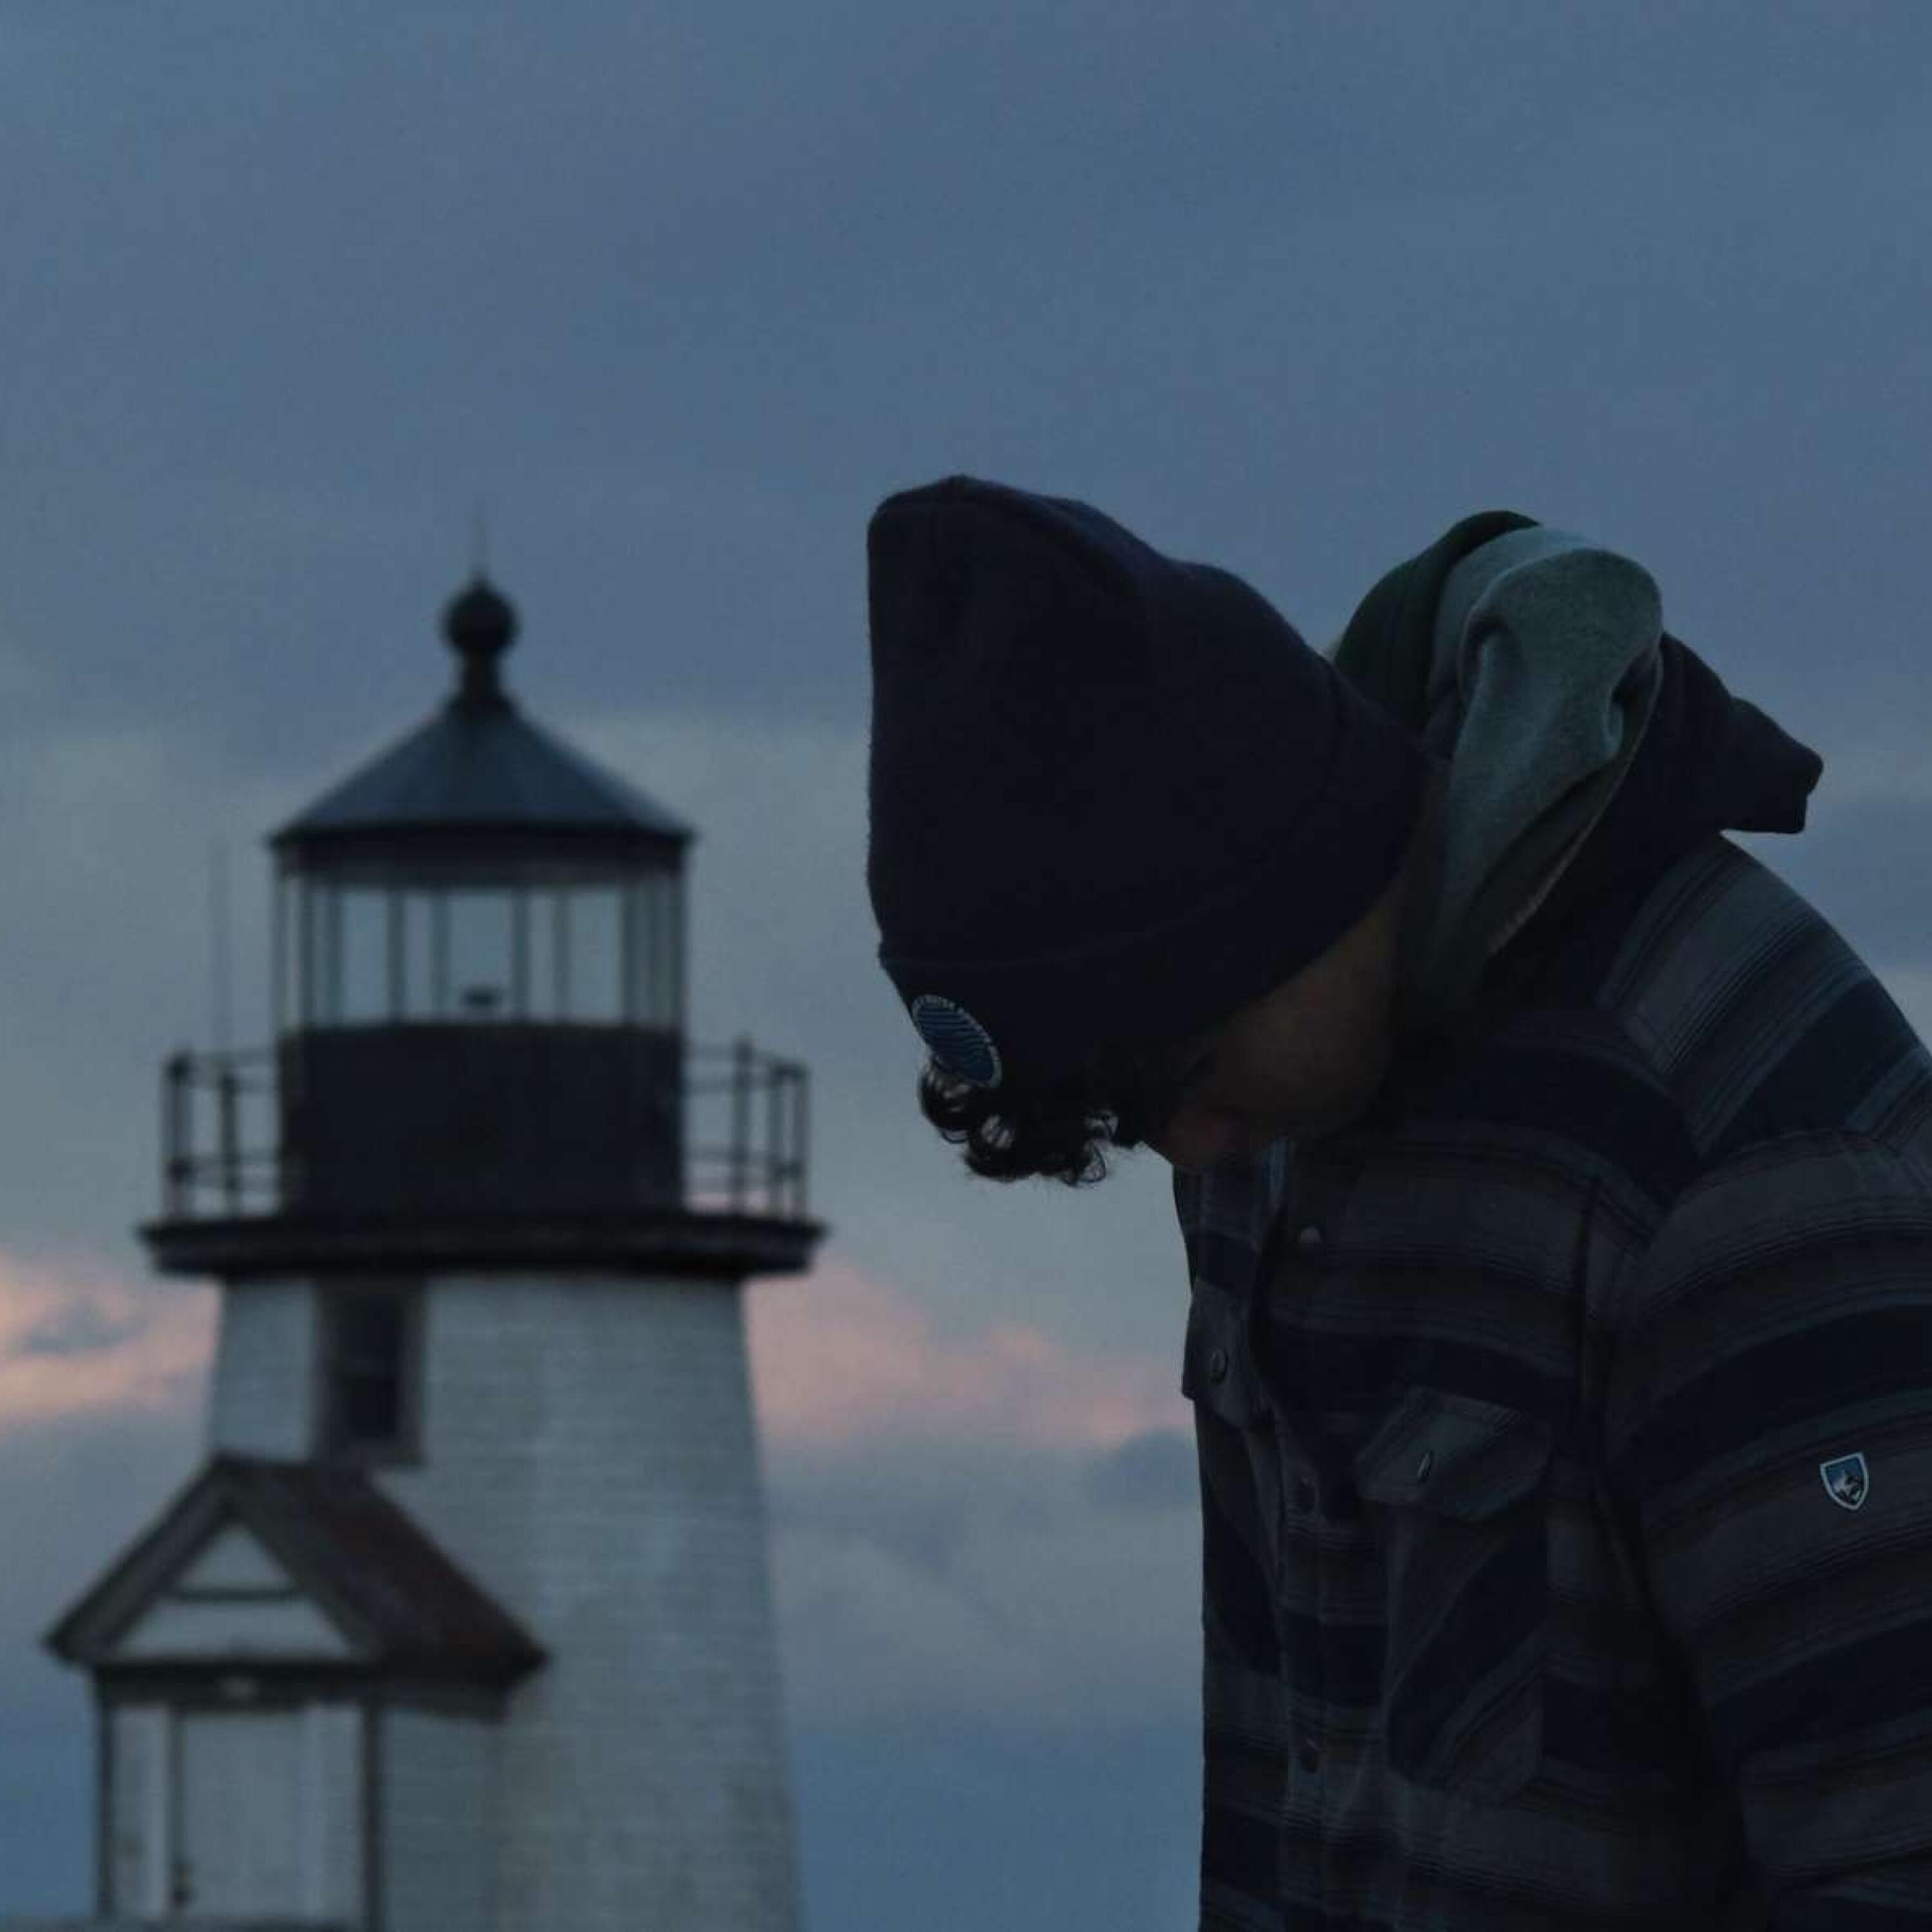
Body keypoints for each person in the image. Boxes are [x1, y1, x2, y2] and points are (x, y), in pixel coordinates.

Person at [863, 474, 1932, 1927]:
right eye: (1115, 1116)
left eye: (1177, 1069)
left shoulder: (1738, 1170)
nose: (1186, 1147)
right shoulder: (1266, 1123)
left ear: (1277, 890)